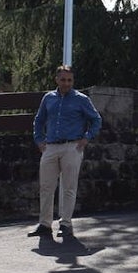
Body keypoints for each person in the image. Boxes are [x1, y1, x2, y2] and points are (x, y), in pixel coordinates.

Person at [29, 64, 102, 240]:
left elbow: (96, 120)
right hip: (51, 147)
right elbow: (39, 121)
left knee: (69, 186)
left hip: (72, 146)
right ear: (56, 79)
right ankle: (45, 224)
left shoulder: (81, 99)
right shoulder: (48, 98)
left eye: (69, 80)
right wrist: (39, 140)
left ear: (73, 80)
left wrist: (86, 138)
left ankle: (66, 223)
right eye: (63, 79)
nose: (66, 83)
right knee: (46, 186)